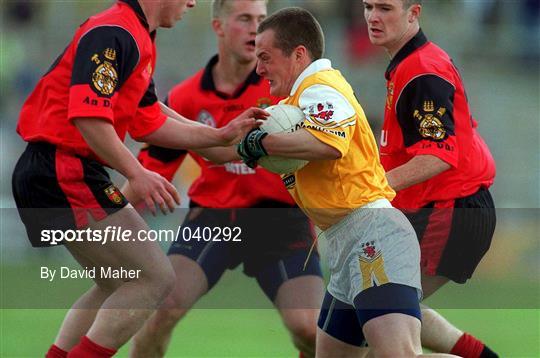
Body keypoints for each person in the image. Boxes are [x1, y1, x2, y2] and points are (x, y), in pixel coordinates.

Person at [11, 1, 265, 357]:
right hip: (63, 169)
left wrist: (219, 136)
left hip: (62, 169)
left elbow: (150, 119)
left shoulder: (138, 36)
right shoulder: (114, 33)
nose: (193, 3)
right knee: (154, 277)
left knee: (119, 281)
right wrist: (137, 172)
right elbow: (89, 117)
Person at [238, 6, 459, 358]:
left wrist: (262, 143)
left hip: (373, 233)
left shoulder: (317, 87)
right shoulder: (297, 104)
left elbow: (330, 143)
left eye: (265, 57)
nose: (259, 67)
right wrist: (245, 143)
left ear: (298, 54)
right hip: (345, 244)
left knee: (398, 355)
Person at [125, 2, 324, 357]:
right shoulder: (186, 97)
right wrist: (107, 224)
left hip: (279, 220)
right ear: (218, 26)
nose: (255, 28)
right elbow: (150, 170)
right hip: (213, 218)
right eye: (245, 19)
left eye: (262, 20)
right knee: (160, 310)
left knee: (311, 329)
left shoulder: (287, 91)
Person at [363, 0, 498, 357]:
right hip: (440, 207)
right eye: (368, 6)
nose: (373, 17)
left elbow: (439, 155)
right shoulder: (408, 64)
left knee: (380, 320)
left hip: (450, 210)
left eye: (385, 8)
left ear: (413, 13)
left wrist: (369, 188)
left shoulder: (422, 69)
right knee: (373, 310)